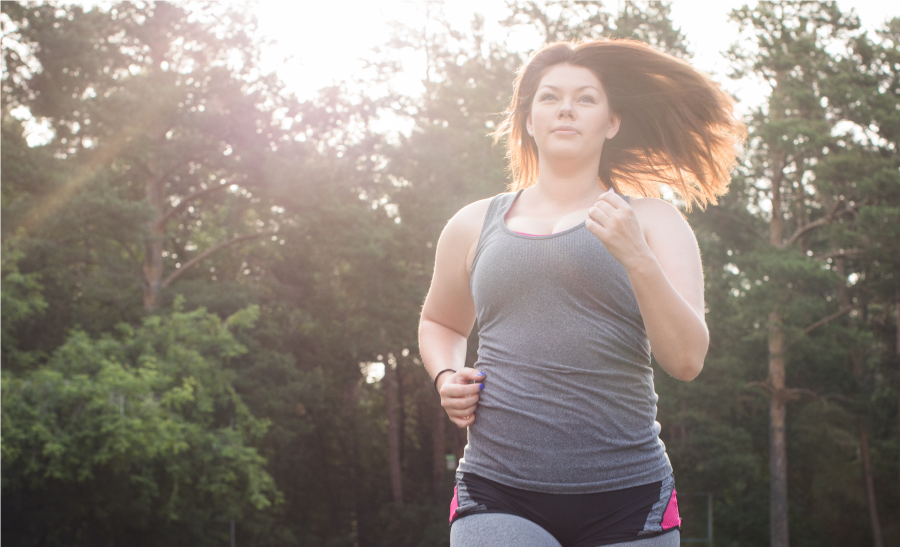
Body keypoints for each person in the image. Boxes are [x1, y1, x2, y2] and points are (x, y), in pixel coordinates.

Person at [418, 39, 744, 547]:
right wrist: (445, 375)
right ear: (529, 120)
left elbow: (686, 361)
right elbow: (441, 322)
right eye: (549, 97)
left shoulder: (655, 221)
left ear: (612, 123)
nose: (566, 108)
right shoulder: (472, 224)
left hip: (630, 497)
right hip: (497, 487)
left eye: (585, 98)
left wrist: (636, 256)